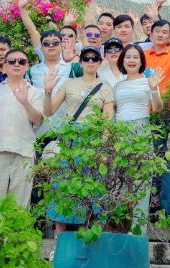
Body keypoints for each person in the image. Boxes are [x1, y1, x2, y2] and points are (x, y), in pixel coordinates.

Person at [43, 46, 115, 241]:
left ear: (100, 62)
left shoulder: (105, 86)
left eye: (94, 58)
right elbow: (49, 111)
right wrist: (48, 91)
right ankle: (59, 239)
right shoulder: (69, 83)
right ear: (80, 62)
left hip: (92, 140)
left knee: (89, 186)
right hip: (70, 138)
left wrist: (102, 148)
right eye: (86, 58)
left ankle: (85, 238)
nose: (90, 61)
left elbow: (107, 120)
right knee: (62, 185)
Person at [0, 49, 44, 207]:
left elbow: (38, 120)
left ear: (27, 66)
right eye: (12, 61)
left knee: (20, 205)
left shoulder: (34, 92)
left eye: (21, 61)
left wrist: (25, 101)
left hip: (24, 153)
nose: (17, 64)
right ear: (4, 66)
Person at [114, 44, 164, 233]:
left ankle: (138, 231)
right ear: (122, 61)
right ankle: (121, 228)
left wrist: (153, 88)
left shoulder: (148, 82)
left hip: (141, 130)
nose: (132, 60)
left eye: (136, 57)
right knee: (120, 181)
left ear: (142, 61)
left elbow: (158, 108)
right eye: (128, 57)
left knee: (141, 182)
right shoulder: (118, 85)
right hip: (120, 132)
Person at [25, 30, 75, 136]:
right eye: (46, 43)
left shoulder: (72, 68)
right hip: (39, 132)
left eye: (55, 42)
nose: (51, 45)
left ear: (62, 45)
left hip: (66, 131)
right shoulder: (32, 71)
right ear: (41, 48)